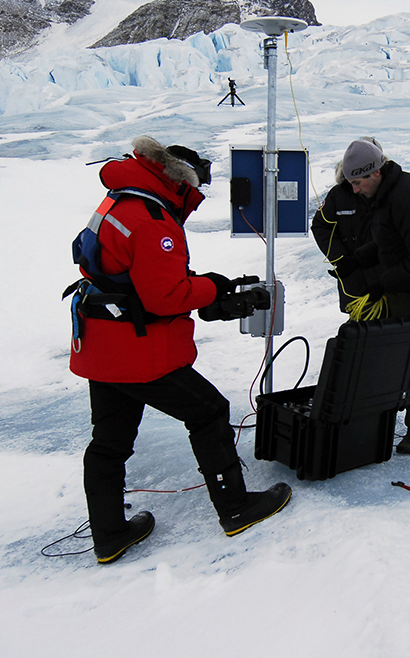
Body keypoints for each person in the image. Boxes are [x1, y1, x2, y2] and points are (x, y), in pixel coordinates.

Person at [66, 135, 291, 564]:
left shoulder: (122, 202)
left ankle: (110, 534)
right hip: (138, 351)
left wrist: (202, 287)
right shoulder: (152, 219)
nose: (197, 196)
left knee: (109, 442)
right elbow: (163, 297)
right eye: (194, 187)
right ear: (177, 182)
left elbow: (133, 276)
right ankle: (237, 508)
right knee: (208, 411)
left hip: (102, 346)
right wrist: (212, 287)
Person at [335, 139, 410, 454]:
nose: (355, 190)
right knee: (392, 353)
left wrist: (381, 285)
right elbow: (388, 241)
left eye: (357, 182)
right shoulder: (385, 193)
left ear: (374, 173)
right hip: (406, 286)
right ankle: (384, 414)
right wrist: (358, 259)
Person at [311, 137, 385, 312]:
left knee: (391, 331)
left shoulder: (391, 192)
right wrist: (341, 259)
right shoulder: (338, 195)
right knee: (359, 330)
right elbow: (321, 226)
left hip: (387, 279)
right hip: (354, 280)